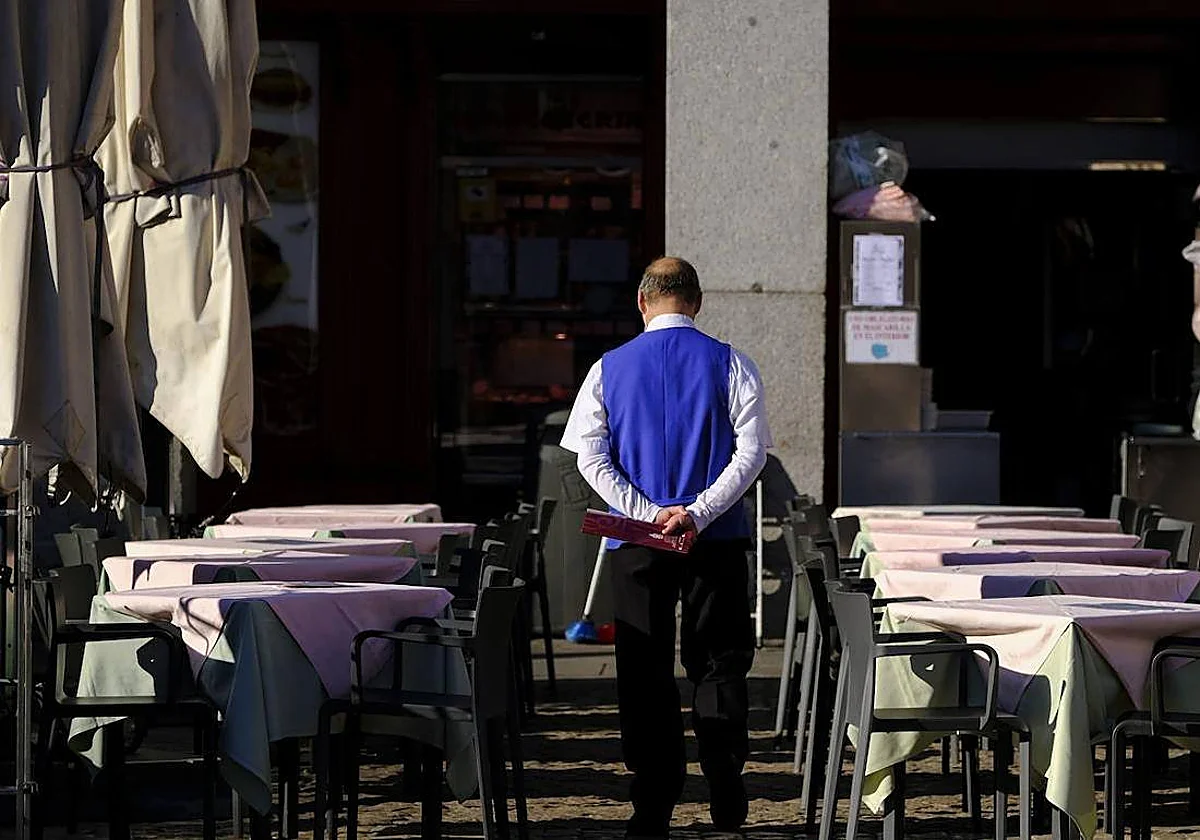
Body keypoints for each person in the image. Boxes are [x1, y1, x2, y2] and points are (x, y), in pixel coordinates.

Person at [560, 257, 773, 839]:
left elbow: (588, 457)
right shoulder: (733, 363)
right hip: (717, 537)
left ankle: (652, 799)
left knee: (643, 664)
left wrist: (650, 512)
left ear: (641, 301)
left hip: (638, 539)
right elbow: (751, 455)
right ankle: (725, 772)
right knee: (720, 660)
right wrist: (698, 512)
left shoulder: (607, 368)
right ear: (697, 302)